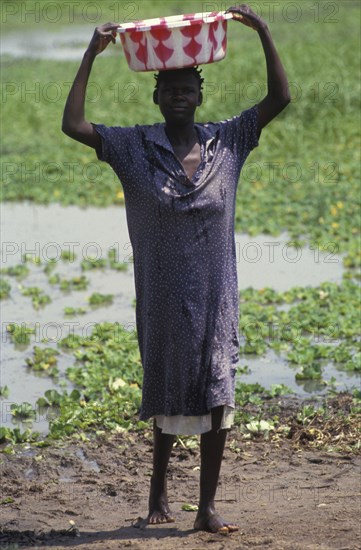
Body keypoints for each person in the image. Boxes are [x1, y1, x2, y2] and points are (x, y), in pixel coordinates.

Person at [62, 4, 290, 534]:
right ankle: (158, 489)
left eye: (188, 89)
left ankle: (207, 506)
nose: (180, 96)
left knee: (217, 389)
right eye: (171, 90)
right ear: (157, 97)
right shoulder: (133, 146)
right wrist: (90, 55)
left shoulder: (228, 143)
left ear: (200, 96)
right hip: (162, 295)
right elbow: (73, 124)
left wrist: (263, 31)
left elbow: (280, 98)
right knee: (165, 386)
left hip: (216, 294)